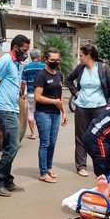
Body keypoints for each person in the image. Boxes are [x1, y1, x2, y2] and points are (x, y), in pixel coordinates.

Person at [65, 44, 110, 177]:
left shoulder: (103, 69)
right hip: (82, 108)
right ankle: (81, 166)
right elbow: (68, 80)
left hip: (100, 107)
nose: (80, 58)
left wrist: (109, 106)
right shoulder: (80, 69)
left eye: (81, 56)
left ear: (89, 56)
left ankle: (104, 164)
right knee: (81, 137)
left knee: (103, 136)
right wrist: (75, 93)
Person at [0, 34, 30, 197]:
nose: (26, 53)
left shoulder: (18, 64)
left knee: (9, 146)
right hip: (4, 109)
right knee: (12, 146)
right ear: (16, 47)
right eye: (24, 50)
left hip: (12, 109)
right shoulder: (5, 61)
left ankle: (8, 181)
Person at [33, 48, 68, 183]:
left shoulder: (59, 75)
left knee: (52, 143)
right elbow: (37, 97)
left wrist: (64, 112)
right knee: (45, 142)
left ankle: (48, 167)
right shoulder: (41, 75)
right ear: (46, 60)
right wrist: (53, 101)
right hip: (43, 113)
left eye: (57, 60)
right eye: (52, 60)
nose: (55, 62)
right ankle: (42, 172)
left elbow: (60, 96)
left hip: (55, 114)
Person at [21, 49, 46, 140]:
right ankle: (43, 133)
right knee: (42, 113)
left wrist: (23, 93)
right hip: (43, 95)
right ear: (38, 57)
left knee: (30, 113)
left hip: (31, 94)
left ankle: (33, 134)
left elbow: (23, 82)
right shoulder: (44, 67)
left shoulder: (26, 67)